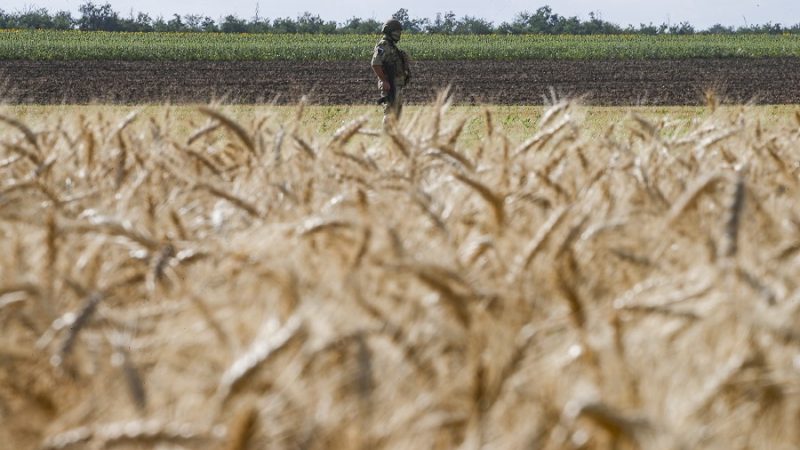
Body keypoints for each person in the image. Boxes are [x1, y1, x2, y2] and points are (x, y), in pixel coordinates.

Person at [371, 19, 411, 125]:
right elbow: (375, 63)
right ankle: (386, 137)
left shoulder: (391, 46)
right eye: (397, 31)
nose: (399, 34)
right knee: (389, 113)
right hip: (390, 85)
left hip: (396, 84)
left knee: (396, 113)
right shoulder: (383, 45)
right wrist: (384, 80)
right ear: (389, 31)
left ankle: (392, 137)